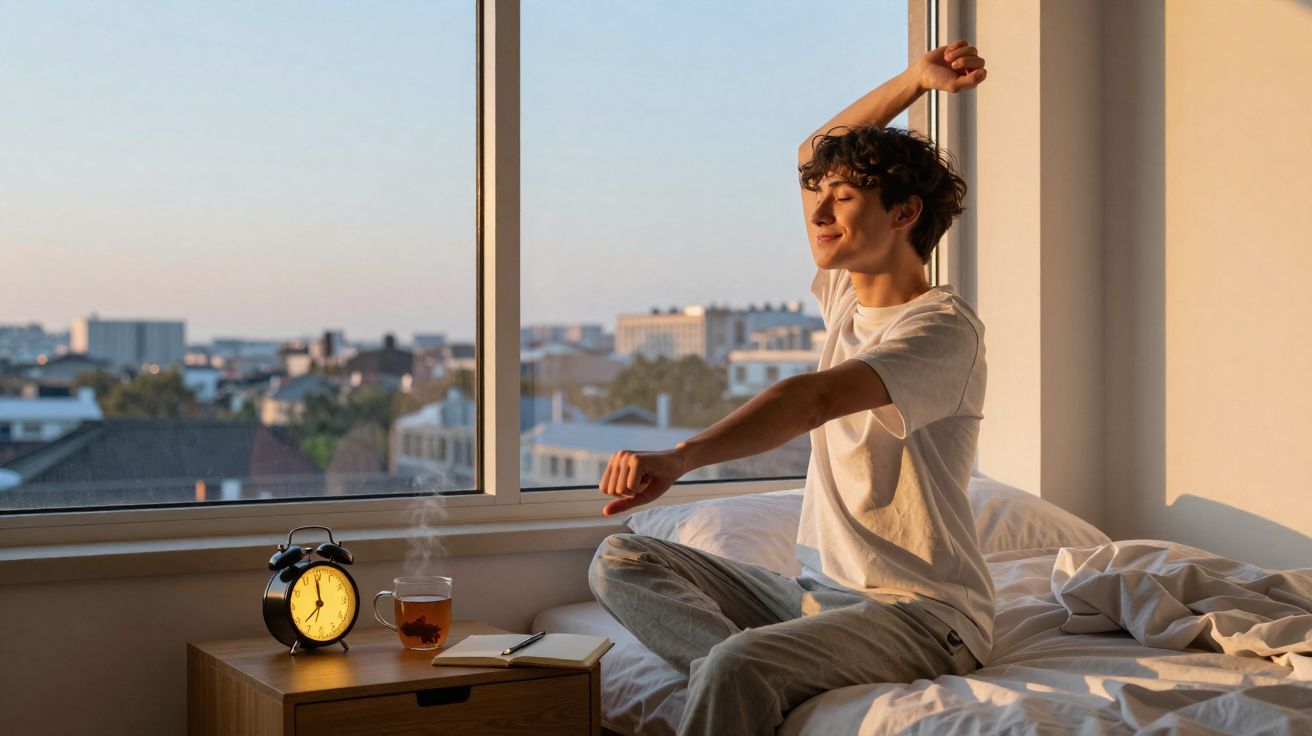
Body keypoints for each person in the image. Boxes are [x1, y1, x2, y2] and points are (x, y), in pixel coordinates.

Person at [589, 40, 990, 736]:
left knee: (736, 668)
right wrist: (913, 81)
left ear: (903, 214)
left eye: (844, 198)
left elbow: (813, 399)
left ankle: (740, 675)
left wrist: (682, 457)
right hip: (814, 598)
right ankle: (749, 672)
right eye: (819, 196)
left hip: (921, 616)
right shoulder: (847, 296)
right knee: (620, 558)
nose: (819, 212)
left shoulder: (943, 331)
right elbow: (816, 146)